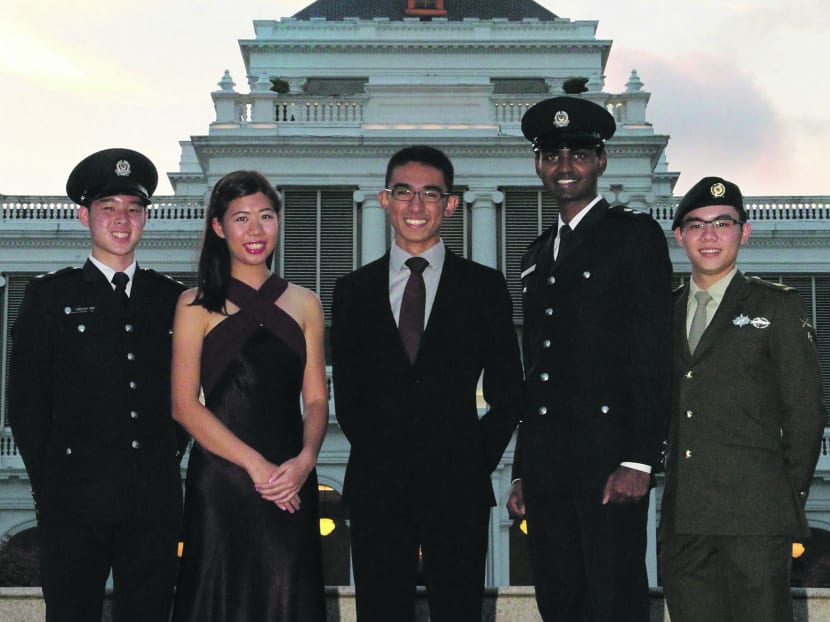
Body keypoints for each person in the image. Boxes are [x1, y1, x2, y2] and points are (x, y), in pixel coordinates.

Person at [331, 145, 524, 622]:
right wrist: (387, 451)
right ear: (384, 200)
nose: (416, 206)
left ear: (450, 204)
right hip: (377, 485)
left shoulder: (484, 286)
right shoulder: (352, 290)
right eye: (404, 192)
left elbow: (508, 393)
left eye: (429, 193)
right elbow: (351, 397)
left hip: (458, 485)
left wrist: (470, 457)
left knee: (458, 611)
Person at [507, 96, 673, 622]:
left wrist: (640, 458)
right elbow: (537, 367)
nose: (565, 166)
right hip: (549, 465)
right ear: (538, 164)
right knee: (560, 599)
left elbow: (652, 351)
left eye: (578, 154)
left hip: (609, 460)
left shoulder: (632, 236)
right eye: (553, 155)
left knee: (614, 597)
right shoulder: (537, 253)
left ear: (601, 161)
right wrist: (522, 469)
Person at [8, 148, 188, 622]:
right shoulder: (50, 296)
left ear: (146, 218)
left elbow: (188, 395)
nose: (122, 220)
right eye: (108, 208)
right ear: (83, 215)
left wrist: (165, 455)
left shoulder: (171, 298)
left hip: (152, 501)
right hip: (73, 501)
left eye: (133, 208)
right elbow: (26, 403)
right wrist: (50, 487)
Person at [659, 176, 825, 622]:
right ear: (680, 236)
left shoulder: (777, 308)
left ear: (743, 232)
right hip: (684, 518)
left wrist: (782, 501)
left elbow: (807, 414)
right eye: (696, 225)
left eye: (722, 223)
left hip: (755, 518)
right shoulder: (662, 312)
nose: (709, 235)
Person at [169, 170, 327, 621]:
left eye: (265, 216)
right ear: (219, 227)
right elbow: (183, 406)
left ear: (278, 221)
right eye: (241, 218)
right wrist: (257, 467)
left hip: (291, 480)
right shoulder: (193, 303)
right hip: (224, 480)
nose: (255, 230)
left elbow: (316, 400)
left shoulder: (305, 302)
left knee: (288, 595)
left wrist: (305, 461)